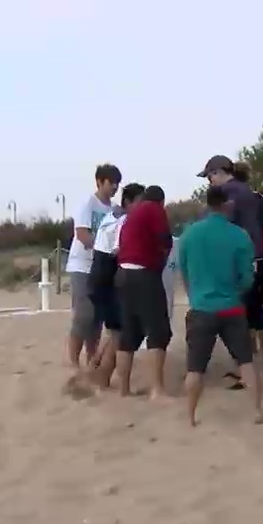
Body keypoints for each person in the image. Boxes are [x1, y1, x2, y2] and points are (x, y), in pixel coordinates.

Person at [178, 184, 263, 426]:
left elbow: (184, 272)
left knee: (195, 367)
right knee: (246, 362)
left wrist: (194, 295)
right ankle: (257, 411)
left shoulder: (189, 235)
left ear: (207, 204)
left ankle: (191, 416)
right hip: (232, 307)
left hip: (201, 308)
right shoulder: (240, 235)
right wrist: (235, 292)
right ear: (228, 204)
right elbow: (248, 277)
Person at [199, 155, 263, 377]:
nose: (209, 182)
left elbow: (220, 224)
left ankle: (245, 368)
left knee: (239, 314)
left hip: (243, 258)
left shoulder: (230, 193)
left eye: (210, 176)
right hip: (257, 255)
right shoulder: (247, 190)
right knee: (253, 309)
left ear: (219, 172)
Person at [114, 185, 174, 399]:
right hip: (143, 274)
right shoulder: (153, 208)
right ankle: (156, 389)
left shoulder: (132, 215)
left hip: (122, 274)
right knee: (158, 330)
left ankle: (124, 389)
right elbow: (165, 239)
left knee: (129, 332)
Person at [84, 182, 144, 388]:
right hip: (108, 282)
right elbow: (120, 251)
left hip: (98, 279)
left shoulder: (111, 217)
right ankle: (101, 379)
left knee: (114, 331)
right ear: (128, 202)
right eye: (140, 202)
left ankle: (93, 370)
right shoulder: (125, 220)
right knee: (120, 333)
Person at [65, 163, 122, 369]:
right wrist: (101, 250)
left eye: (117, 183)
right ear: (100, 182)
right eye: (111, 183)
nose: (114, 187)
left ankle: (91, 358)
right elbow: (82, 234)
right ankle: (73, 360)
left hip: (103, 268)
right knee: (83, 315)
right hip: (82, 266)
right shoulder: (87, 205)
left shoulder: (114, 210)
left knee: (98, 317)